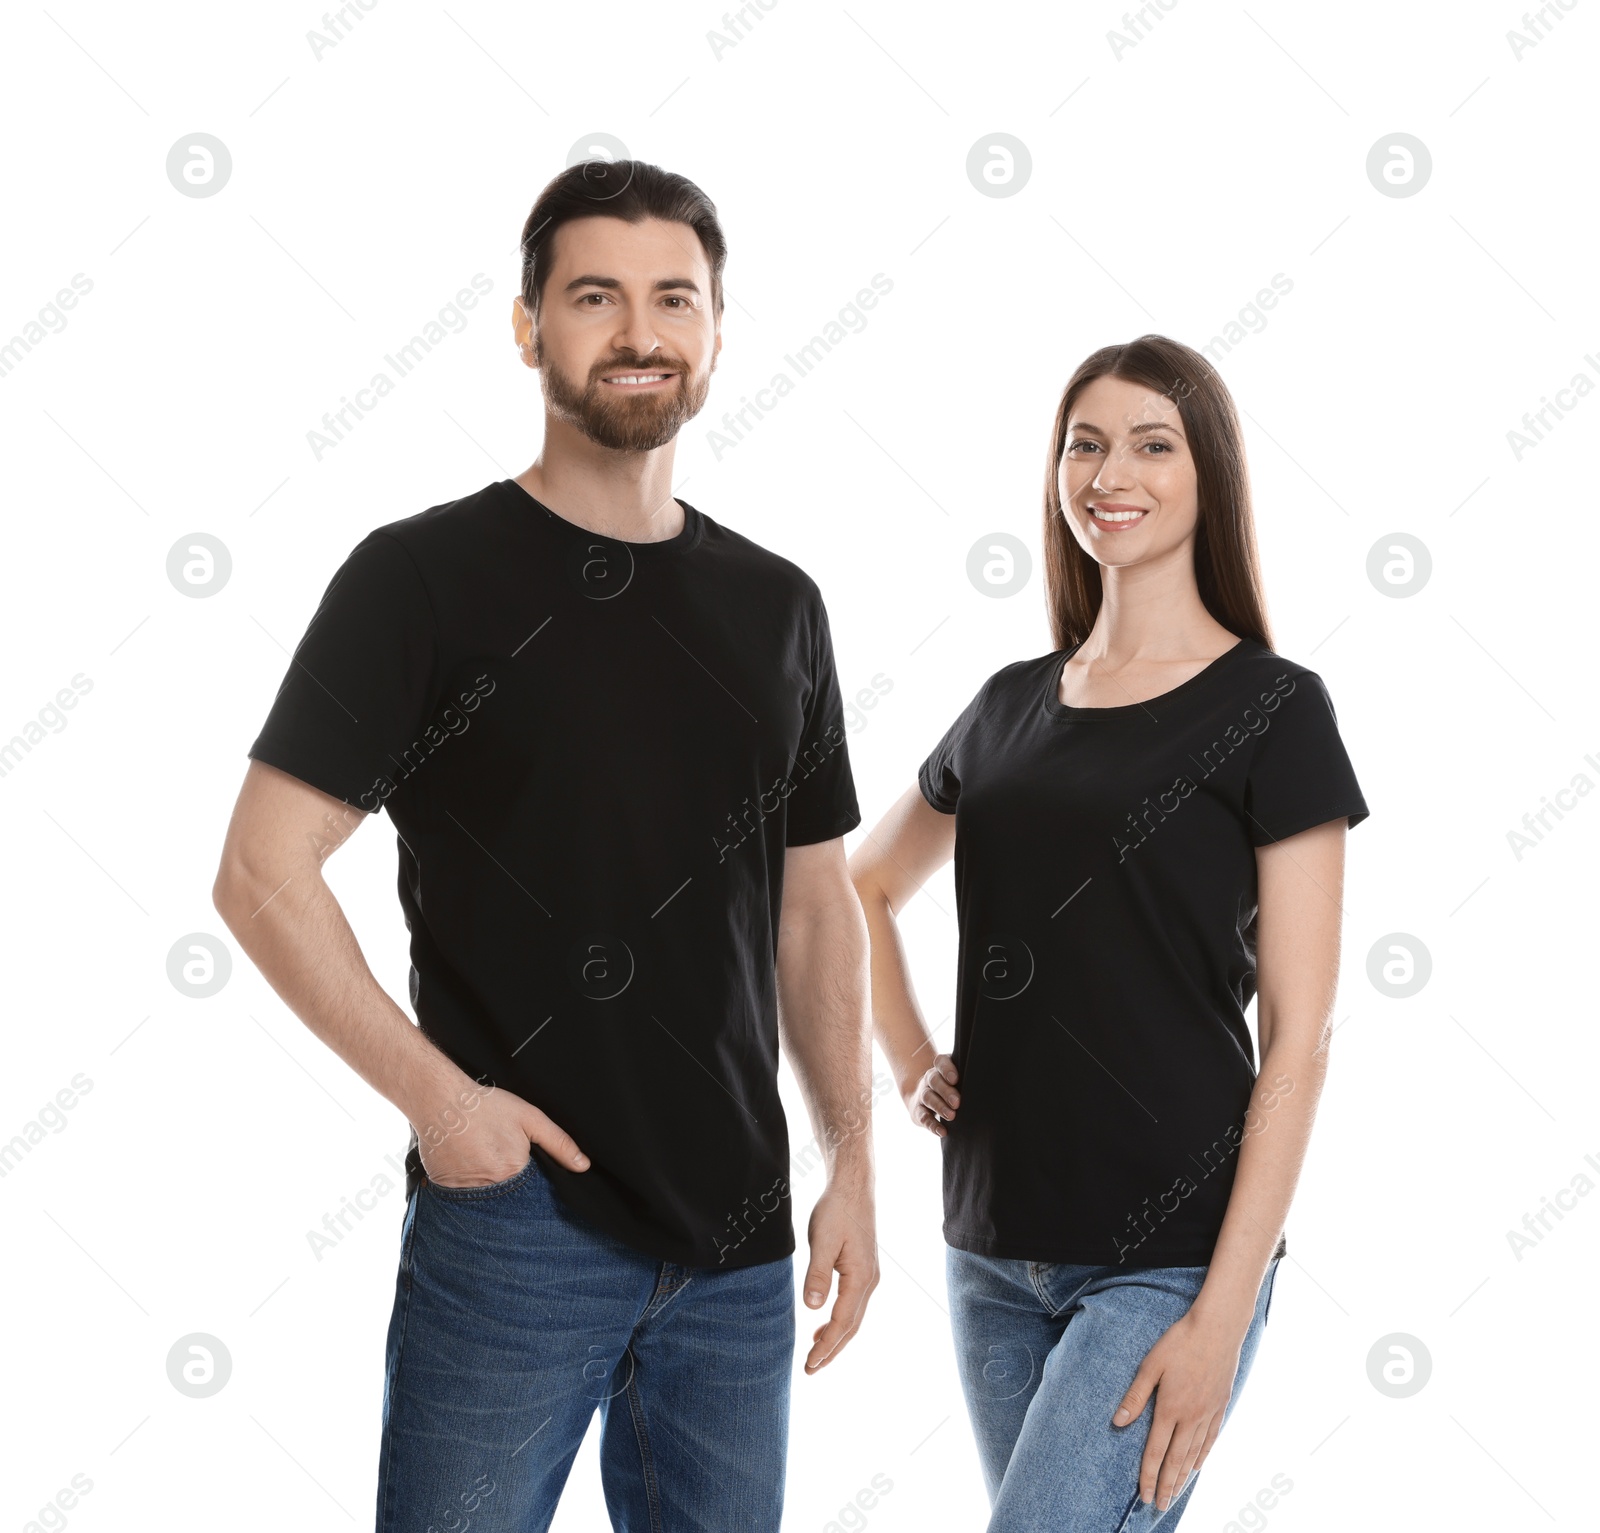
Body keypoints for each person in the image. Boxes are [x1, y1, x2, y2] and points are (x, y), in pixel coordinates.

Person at [212, 158, 880, 1533]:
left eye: (673, 299)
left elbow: (817, 910)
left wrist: (853, 1159)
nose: (639, 332)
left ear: (713, 331)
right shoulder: (422, 579)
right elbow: (262, 867)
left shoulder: (779, 606)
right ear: (528, 328)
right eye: (595, 296)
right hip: (523, 1229)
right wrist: (445, 1108)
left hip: (742, 1247)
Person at [848, 335, 1370, 1529]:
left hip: (1169, 1258)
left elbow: (1297, 1036)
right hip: (989, 1249)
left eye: (1151, 443)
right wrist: (911, 1060)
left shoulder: (1274, 710)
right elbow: (854, 890)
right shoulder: (1003, 707)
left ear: (1207, 478)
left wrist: (1223, 1311)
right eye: (1083, 444)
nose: (1108, 472)